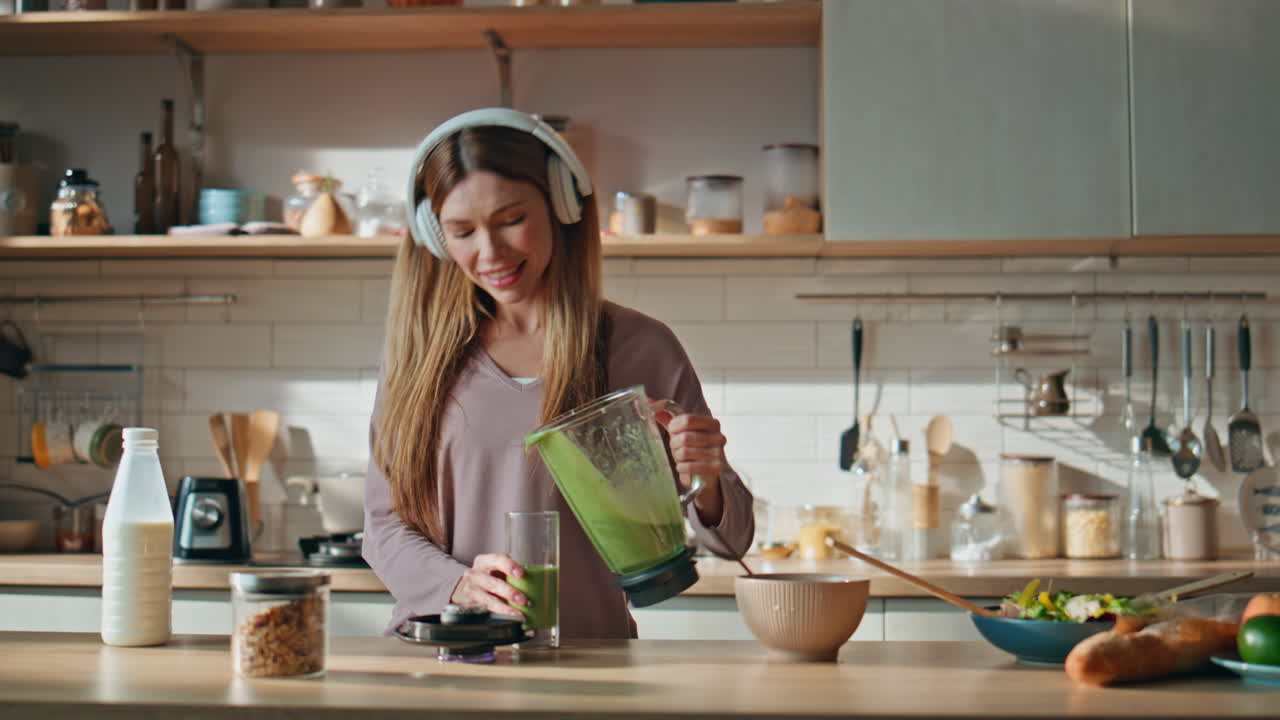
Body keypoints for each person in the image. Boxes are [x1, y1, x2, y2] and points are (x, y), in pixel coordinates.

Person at [362, 108, 754, 640]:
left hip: (591, 664)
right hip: (443, 659)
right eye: (462, 231)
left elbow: (731, 542)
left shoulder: (641, 348)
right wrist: (459, 585)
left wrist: (703, 478)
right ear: (436, 237)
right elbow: (384, 529)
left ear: (561, 204)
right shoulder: (419, 358)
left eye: (511, 220)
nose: (489, 252)